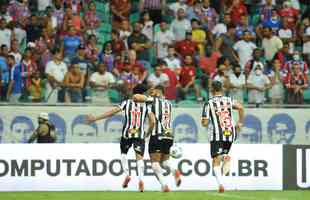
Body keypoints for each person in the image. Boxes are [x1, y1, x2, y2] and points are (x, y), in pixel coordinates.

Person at [86, 84, 155, 192]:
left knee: (123, 155)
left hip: (127, 134)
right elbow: (153, 121)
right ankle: (141, 180)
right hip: (139, 134)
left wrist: (95, 118)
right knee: (139, 158)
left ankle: (127, 175)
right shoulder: (147, 106)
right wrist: (148, 133)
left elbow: (111, 113)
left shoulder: (126, 103)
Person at [133, 86, 182, 192]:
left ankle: (164, 185)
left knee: (155, 163)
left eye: (153, 91)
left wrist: (147, 134)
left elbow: (136, 97)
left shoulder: (153, 100)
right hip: (169, 136)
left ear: (158, 92)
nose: (151, 92)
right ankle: (174, 170)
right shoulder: (169, 104)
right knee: (165, 161)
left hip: (157, 135)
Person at [201, 81, 244, 193]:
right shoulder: (228, 100)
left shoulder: (209, 103)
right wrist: (240, 123)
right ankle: (225, 156)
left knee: (215, 160)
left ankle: (221, 185)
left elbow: (205, 122)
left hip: (217, 134)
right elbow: (240, 107)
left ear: (211, 90)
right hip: (230, 133)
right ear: (222, 89)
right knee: (222, 156)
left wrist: (205, 122)